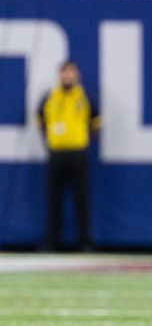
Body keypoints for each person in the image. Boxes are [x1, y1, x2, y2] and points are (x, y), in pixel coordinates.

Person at [37, 61, 101, 252]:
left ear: (77, 75)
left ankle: (85, 242)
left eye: (71, 72)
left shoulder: (84, 97)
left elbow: (95, 123)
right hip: (56, 154)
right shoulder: (50, 96)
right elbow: (40, 121)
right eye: (64, 72)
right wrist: (52, 140)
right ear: (59, 75)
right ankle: (51, 242)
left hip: (77, 154)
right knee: (53, 200)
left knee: (81, 200)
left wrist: (82, 140)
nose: (68, 76)